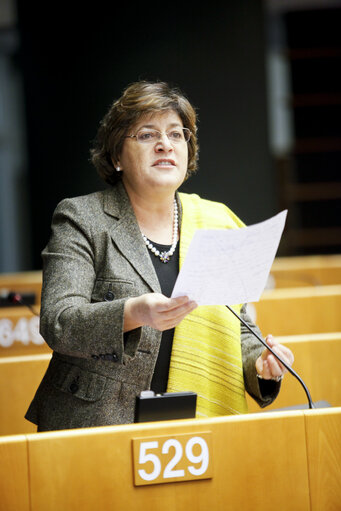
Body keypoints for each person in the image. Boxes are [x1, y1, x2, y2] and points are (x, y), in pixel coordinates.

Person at [25, 80, 294, 431]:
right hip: (98, 426)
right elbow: (59, 323)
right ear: (116, 155)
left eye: (176, 134)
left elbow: (242, 330)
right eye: (147, 135)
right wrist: (132, 312)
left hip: (195, 429)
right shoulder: (82, 218)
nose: (165, 144)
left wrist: (261, 363)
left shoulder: (218, 223)